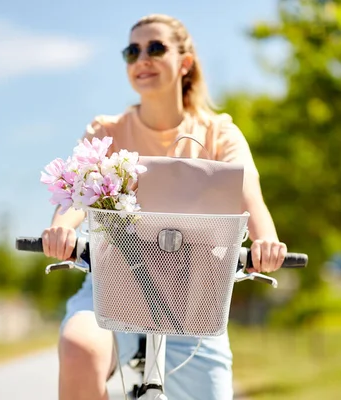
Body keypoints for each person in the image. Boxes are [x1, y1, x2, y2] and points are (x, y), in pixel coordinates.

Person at [42, 13, 287, 400]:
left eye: (156, 48)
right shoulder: (107, 130)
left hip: (196, 294)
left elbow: (248, 194)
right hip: (114, 280)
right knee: (79, 347)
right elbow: (80, 191)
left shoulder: (218, 133)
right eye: (132, 51)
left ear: (184, 62)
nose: (143, 58)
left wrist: (266, 242)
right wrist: (62, 227)